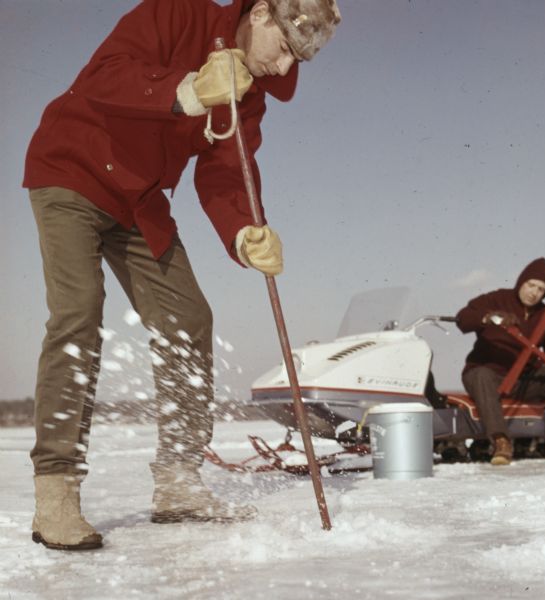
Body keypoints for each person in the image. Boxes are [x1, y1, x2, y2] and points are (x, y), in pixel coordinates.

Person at [23, 0, 341, 551]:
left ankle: (177, 481)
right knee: (77, 314)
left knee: (189, 319)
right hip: (71, 172)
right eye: (286, 49)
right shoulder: (175, 14)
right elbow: (105, 76)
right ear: (262, 13)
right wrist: (188, 88)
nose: (286, 69)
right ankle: (57, 491)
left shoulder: (251, 95)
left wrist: (246, 231)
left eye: (298, 62)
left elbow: (225, 175)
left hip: (140, 203)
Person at [456, 257, 545, 466]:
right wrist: (488, 317)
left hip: (523, 380)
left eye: (541, 289)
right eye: (531, 285)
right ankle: (501, 442)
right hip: (487, 373)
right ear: (521, 282)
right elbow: (463, 318)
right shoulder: (496, 299)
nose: (534, 292)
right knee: (481, 375)